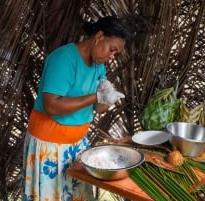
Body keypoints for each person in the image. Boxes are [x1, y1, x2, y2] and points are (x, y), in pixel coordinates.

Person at [23, 16, 131, 201]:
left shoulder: (98, 66)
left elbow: (99, 109)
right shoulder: (65, 58)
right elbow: (52, 105)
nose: (111, 56)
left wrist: (107, 96)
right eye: (111, 49)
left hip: (76, 147)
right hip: (49, 147)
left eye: (115, 54)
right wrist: (95, 96)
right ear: (99, 36)